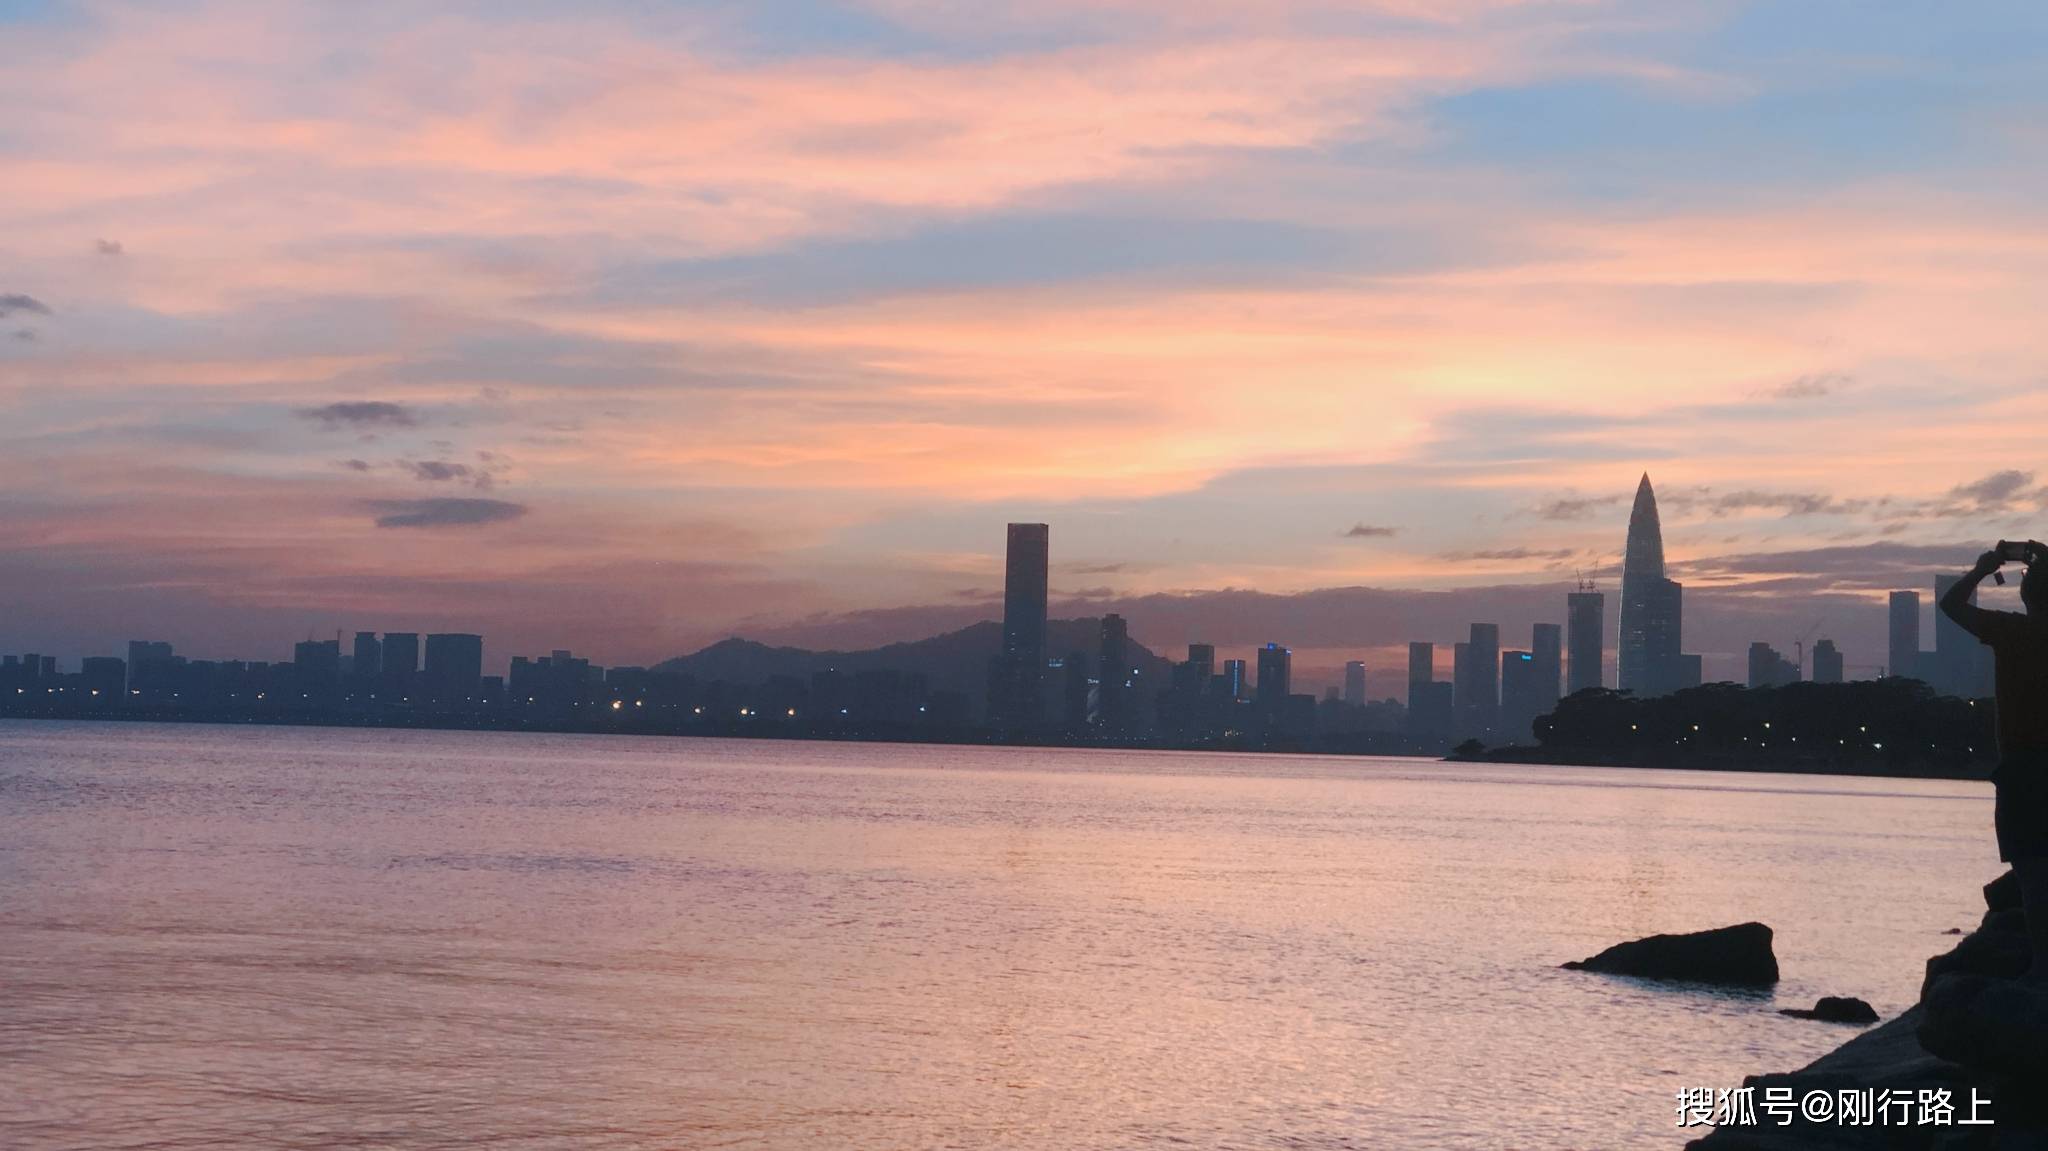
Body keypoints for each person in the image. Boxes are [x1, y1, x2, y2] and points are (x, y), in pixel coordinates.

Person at [1941, 543, 2048, 980]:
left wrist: (1983, 569)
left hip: (2023, 769)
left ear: (2026, 596)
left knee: (2035, 878)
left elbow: (1951, 605)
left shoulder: (2012, 633)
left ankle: (2042, 974)